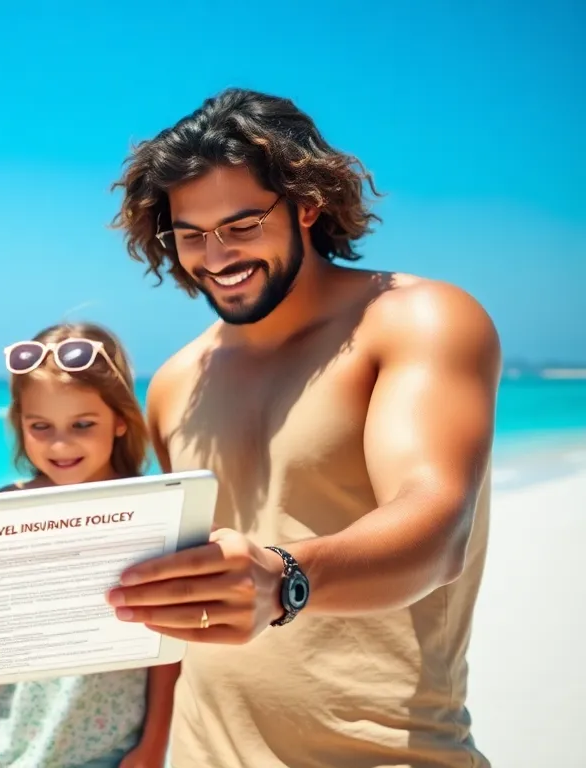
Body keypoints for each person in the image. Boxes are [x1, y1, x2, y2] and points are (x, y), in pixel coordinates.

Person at [107, 87, 500, 767]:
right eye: (191, 234)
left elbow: (438, 530)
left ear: (307, 204)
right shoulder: (175, 383)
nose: (216, 255)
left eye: (241, 224)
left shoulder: (415, 318)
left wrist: (285, 579)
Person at [0, 322, 178, 768]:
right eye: (41, 426)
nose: (61, 444)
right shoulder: (1, 511)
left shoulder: (148, 508)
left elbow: (165, 642)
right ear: (20, 423)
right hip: (7, 749)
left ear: (120, 419)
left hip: (115, 753)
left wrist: (154, 745)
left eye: (83, 423)